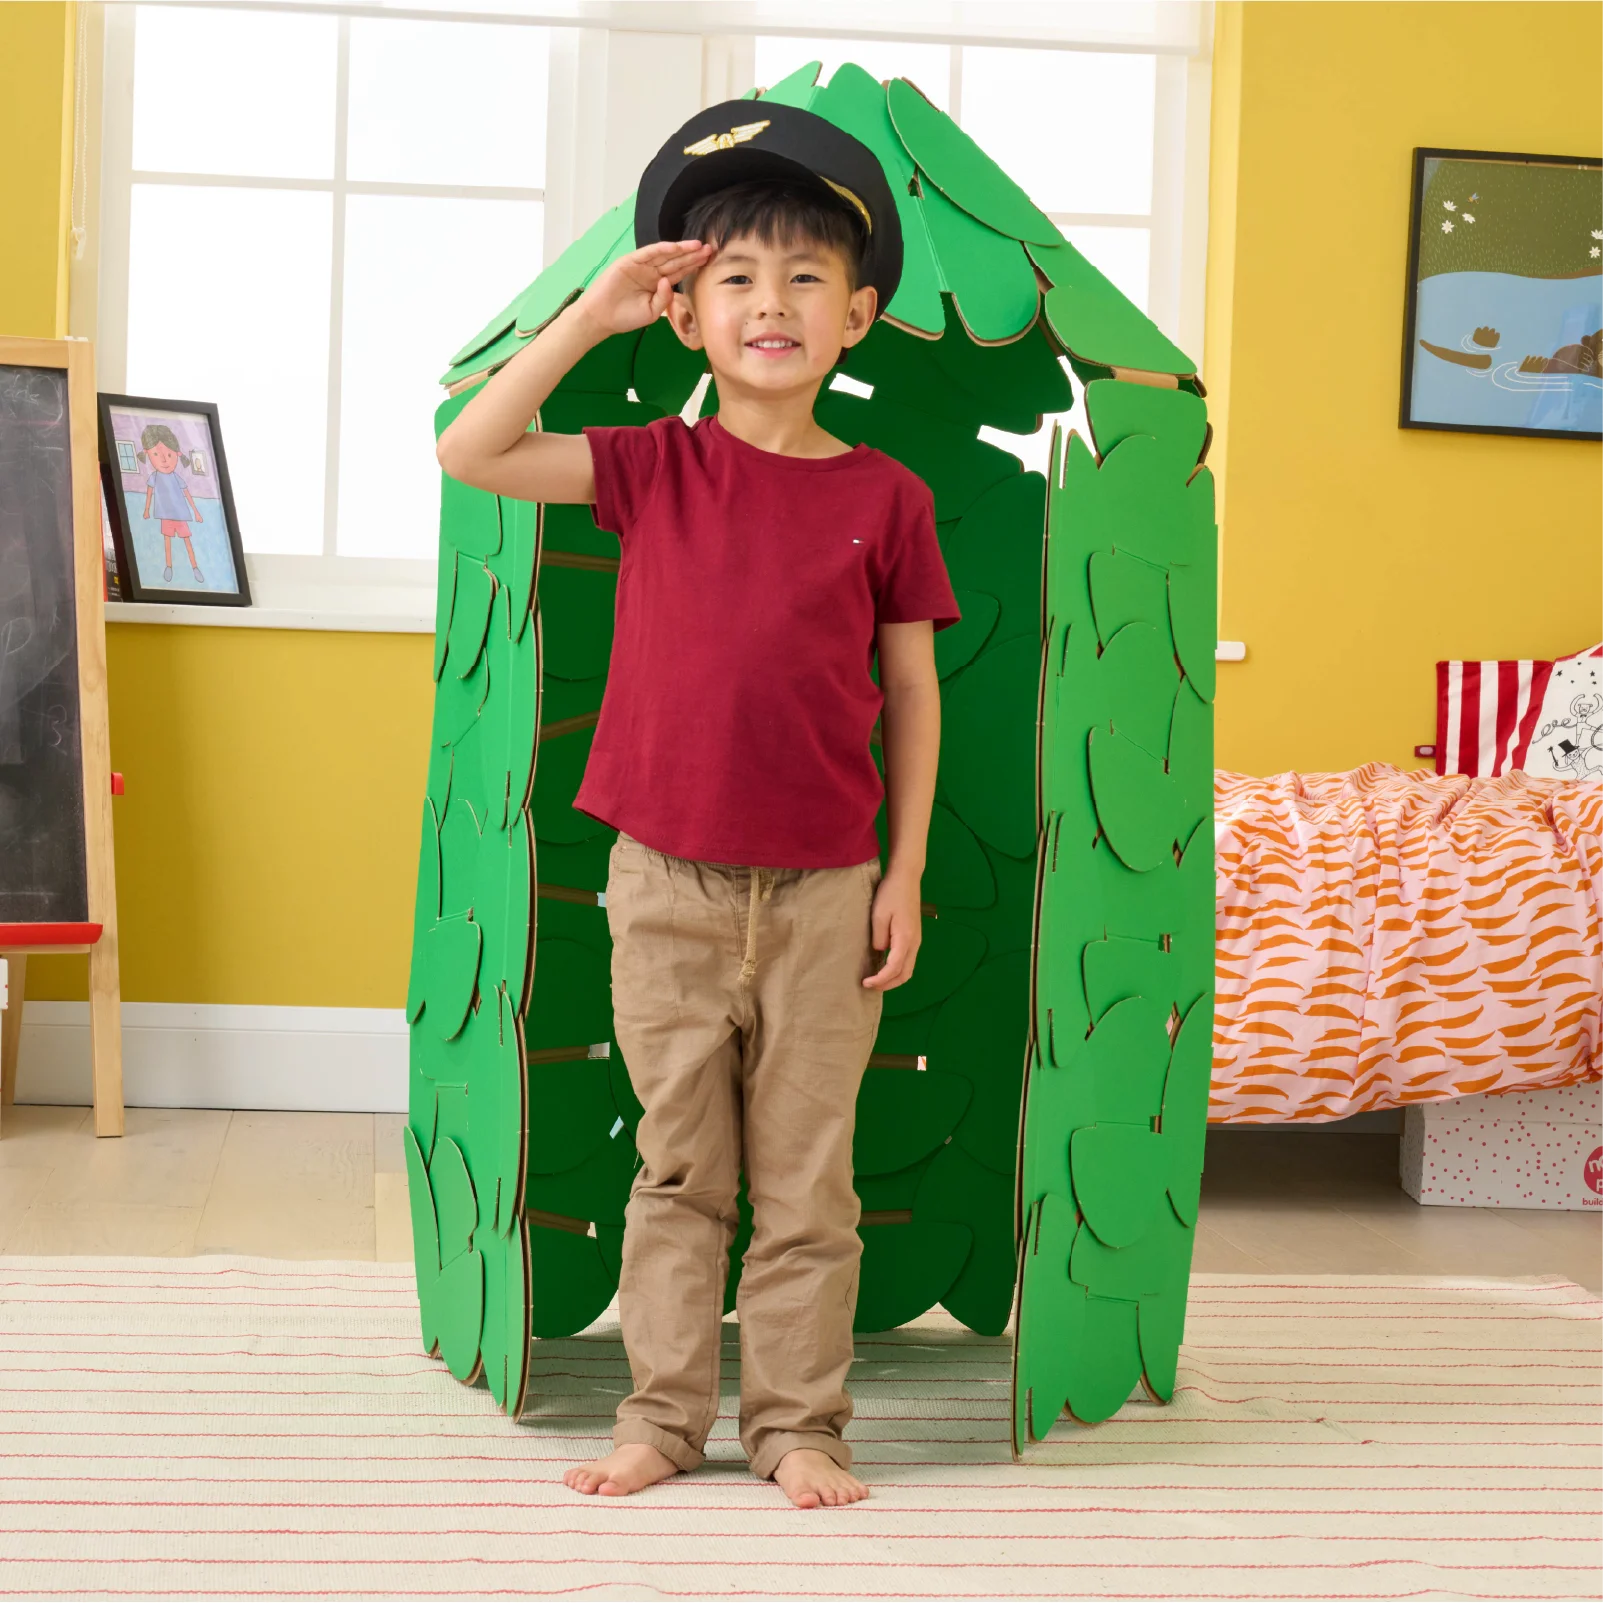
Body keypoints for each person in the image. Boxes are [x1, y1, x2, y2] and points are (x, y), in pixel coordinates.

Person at [435, 102, 958, 1510]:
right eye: (734, 277)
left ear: (854, 316)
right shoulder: (652, 468)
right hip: (663, 882)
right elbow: (471, 448)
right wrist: (592, 316)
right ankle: (663, 1416)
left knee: (806, 1182)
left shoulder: (885, 495)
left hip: (824, 891)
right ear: (689, 314)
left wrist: (901, 870)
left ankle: (798, 1421)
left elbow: (910, 693)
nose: (769, 303)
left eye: (802, 280)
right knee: (678, 1170)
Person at [137, 423, 205, 584]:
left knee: (187, 540)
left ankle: (195, 567)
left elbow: (187, 494)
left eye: (169, 455)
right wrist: (146, 510)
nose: (164, 460)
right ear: (148, 455)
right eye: (156, 454)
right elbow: (149, 493)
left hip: (180, 514)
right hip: (165, 514)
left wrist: (196, 512)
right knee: (167, 541)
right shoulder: (154, 477)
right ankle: (169, 566)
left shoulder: (176, 477)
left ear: (176, 454)